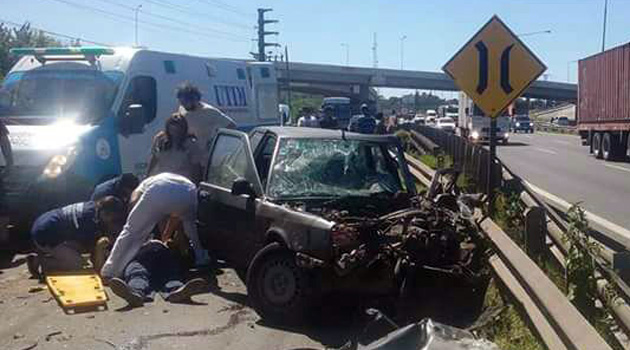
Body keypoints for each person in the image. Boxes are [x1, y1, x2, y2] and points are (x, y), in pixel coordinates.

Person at [100, 173, 209, 280]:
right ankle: (201, 258)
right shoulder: (180, 182)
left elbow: (134, 201)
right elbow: (173, 217)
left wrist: (132, 217)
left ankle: (110, 271)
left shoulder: (142, 186)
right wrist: (164, 238)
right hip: (188, 194)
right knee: (191, 230)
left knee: (130, 232)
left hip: (158, 191)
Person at [28, 196, 126, 275]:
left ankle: (53, 253)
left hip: (45, 222)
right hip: (44, 234)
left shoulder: (93, 207)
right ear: (105, 213)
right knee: (77, 265)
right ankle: (39, 262)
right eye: (112, 219)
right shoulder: (90, 223)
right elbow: (95, 258)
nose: (112, 222)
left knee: (81, 250)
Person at [108, 240, 207, 307]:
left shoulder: (164, 221)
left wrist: (173, 244)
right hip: (139, 256)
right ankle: (135, 293)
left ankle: (177, 291)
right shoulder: (128, 230)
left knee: (170, 273)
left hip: (163, 253)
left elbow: (182, 246)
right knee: (137, 273)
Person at [175, 82, 236, 158]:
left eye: (185, 102)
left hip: (207, 154)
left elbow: (231, 125)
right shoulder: (182, 109)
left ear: (195, 98)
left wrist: (215, 141)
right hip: (191, 153)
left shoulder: (209, 111)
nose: (183, 105)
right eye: (181, 102)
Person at [148, 113, 203, 183]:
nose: (175, 128)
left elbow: (196, 167)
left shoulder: (191, 143)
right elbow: (154, 160)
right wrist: (147, 178)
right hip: (163, 181)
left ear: (183, 127)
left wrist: (196, 183)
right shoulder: (160, 139)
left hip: (183, 182)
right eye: (172, 124)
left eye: (178, 125)